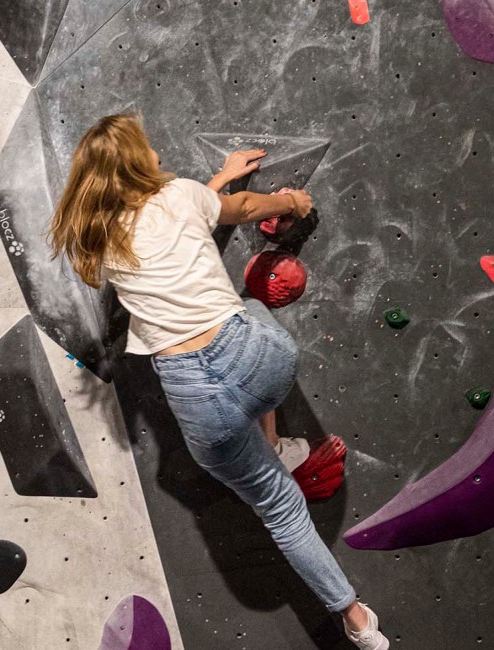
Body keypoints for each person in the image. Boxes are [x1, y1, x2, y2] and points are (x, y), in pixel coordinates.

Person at [46, 112, 389, 650]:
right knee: (250, 302)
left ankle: (356, 620)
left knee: (280, 509)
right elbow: (242, 209)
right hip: (262, 361)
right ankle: (277, 442)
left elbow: (176, 221)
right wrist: (291, 203)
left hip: (197, 400)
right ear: (138, 159)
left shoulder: (102, 245)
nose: (155, 150)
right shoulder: (179, 196)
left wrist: (220, 178)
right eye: (147, 144)